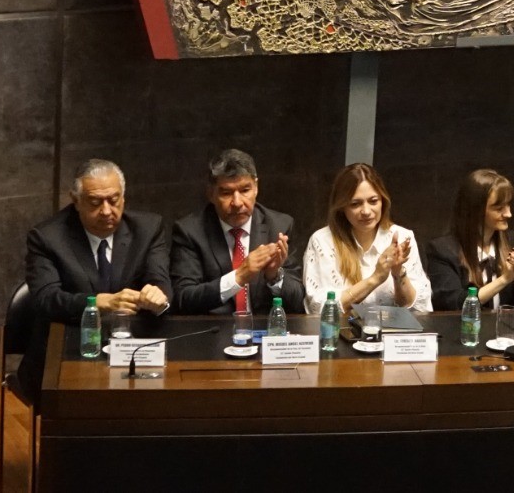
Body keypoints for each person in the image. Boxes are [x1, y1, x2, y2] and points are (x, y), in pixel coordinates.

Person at [21, 159, 170, 398]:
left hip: (132, 349)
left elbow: (160, 281)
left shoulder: (147, 228)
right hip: (68, 350)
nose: (107, 211)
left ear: (124, 197)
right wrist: (96, 302)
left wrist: (158, 294)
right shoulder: (47, 238)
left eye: (114, 200)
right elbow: (45, 299)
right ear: (76, 200)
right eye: (95, 202)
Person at [170, 148, 303, 315]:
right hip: (213, 334)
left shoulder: (279, 226)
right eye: (226, 193)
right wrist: (239, 276)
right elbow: (183, 299)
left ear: (256, 188)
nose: (237, 202)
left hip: (264, 332)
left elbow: (298, 303)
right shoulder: (190, 231)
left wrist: (274, 276)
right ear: (211, 194)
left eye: (245, 190)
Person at [302, 163, 430, 314]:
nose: (366, 211)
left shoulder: (402, 236)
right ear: (342, 207)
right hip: (342, 334)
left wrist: (397, 272)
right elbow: (319, 308)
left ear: (383, 201)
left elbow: (417, 308)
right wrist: (375, 279)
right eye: (355, 204)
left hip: (393, 334)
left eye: (373, 201)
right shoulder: (322, 241)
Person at [427, 169, 514, 310]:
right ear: (475, 211)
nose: (508, 214)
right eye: (499, 208)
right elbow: (452, 304)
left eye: (508, 205)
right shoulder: (442, 250)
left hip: (508, 330)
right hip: (464, 330)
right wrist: (504, 280)